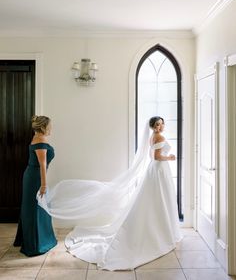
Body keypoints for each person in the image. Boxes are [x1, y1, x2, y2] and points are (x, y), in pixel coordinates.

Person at [38, 116, 182, 270]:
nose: (160, 127)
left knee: (157, 201)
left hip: (155, 171)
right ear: (153, 127)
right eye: (157, 125)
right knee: (159, 201)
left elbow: (150, 156)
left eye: (162, 124)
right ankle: (163, 232)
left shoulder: (153, 137)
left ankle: (161, 230)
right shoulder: (158, 136)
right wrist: (170, 158)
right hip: (159, 171)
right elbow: (156, 156)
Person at [14, 115, 57, 256]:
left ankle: (30, 239)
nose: (51, 128)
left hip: (31, 176)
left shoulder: (36, 137)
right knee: (35, 208)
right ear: (44, 127)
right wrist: (44, 184)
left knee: (34, 208)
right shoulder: (41, 139)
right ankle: (36, 244)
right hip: (35, 178)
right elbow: (42, 165)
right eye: (50, 126)